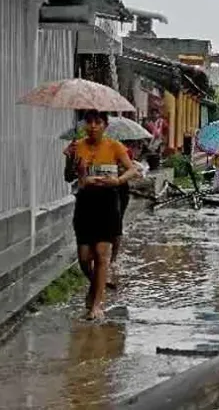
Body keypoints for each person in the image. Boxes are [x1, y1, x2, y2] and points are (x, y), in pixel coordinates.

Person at [65, 111, 138, 320]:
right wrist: (72, 164)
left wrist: (117, 181)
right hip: (85, 203)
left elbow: (132, 170)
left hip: (107, 202)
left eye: (98, 122)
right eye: (89, 122)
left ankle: (97, 305)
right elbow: (67, 176)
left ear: (105, 125)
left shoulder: (114, 146)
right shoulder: (76, 146)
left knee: (101, 254)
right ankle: (97, 283)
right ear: (85, 125)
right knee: (84, 257)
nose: (93, 126)